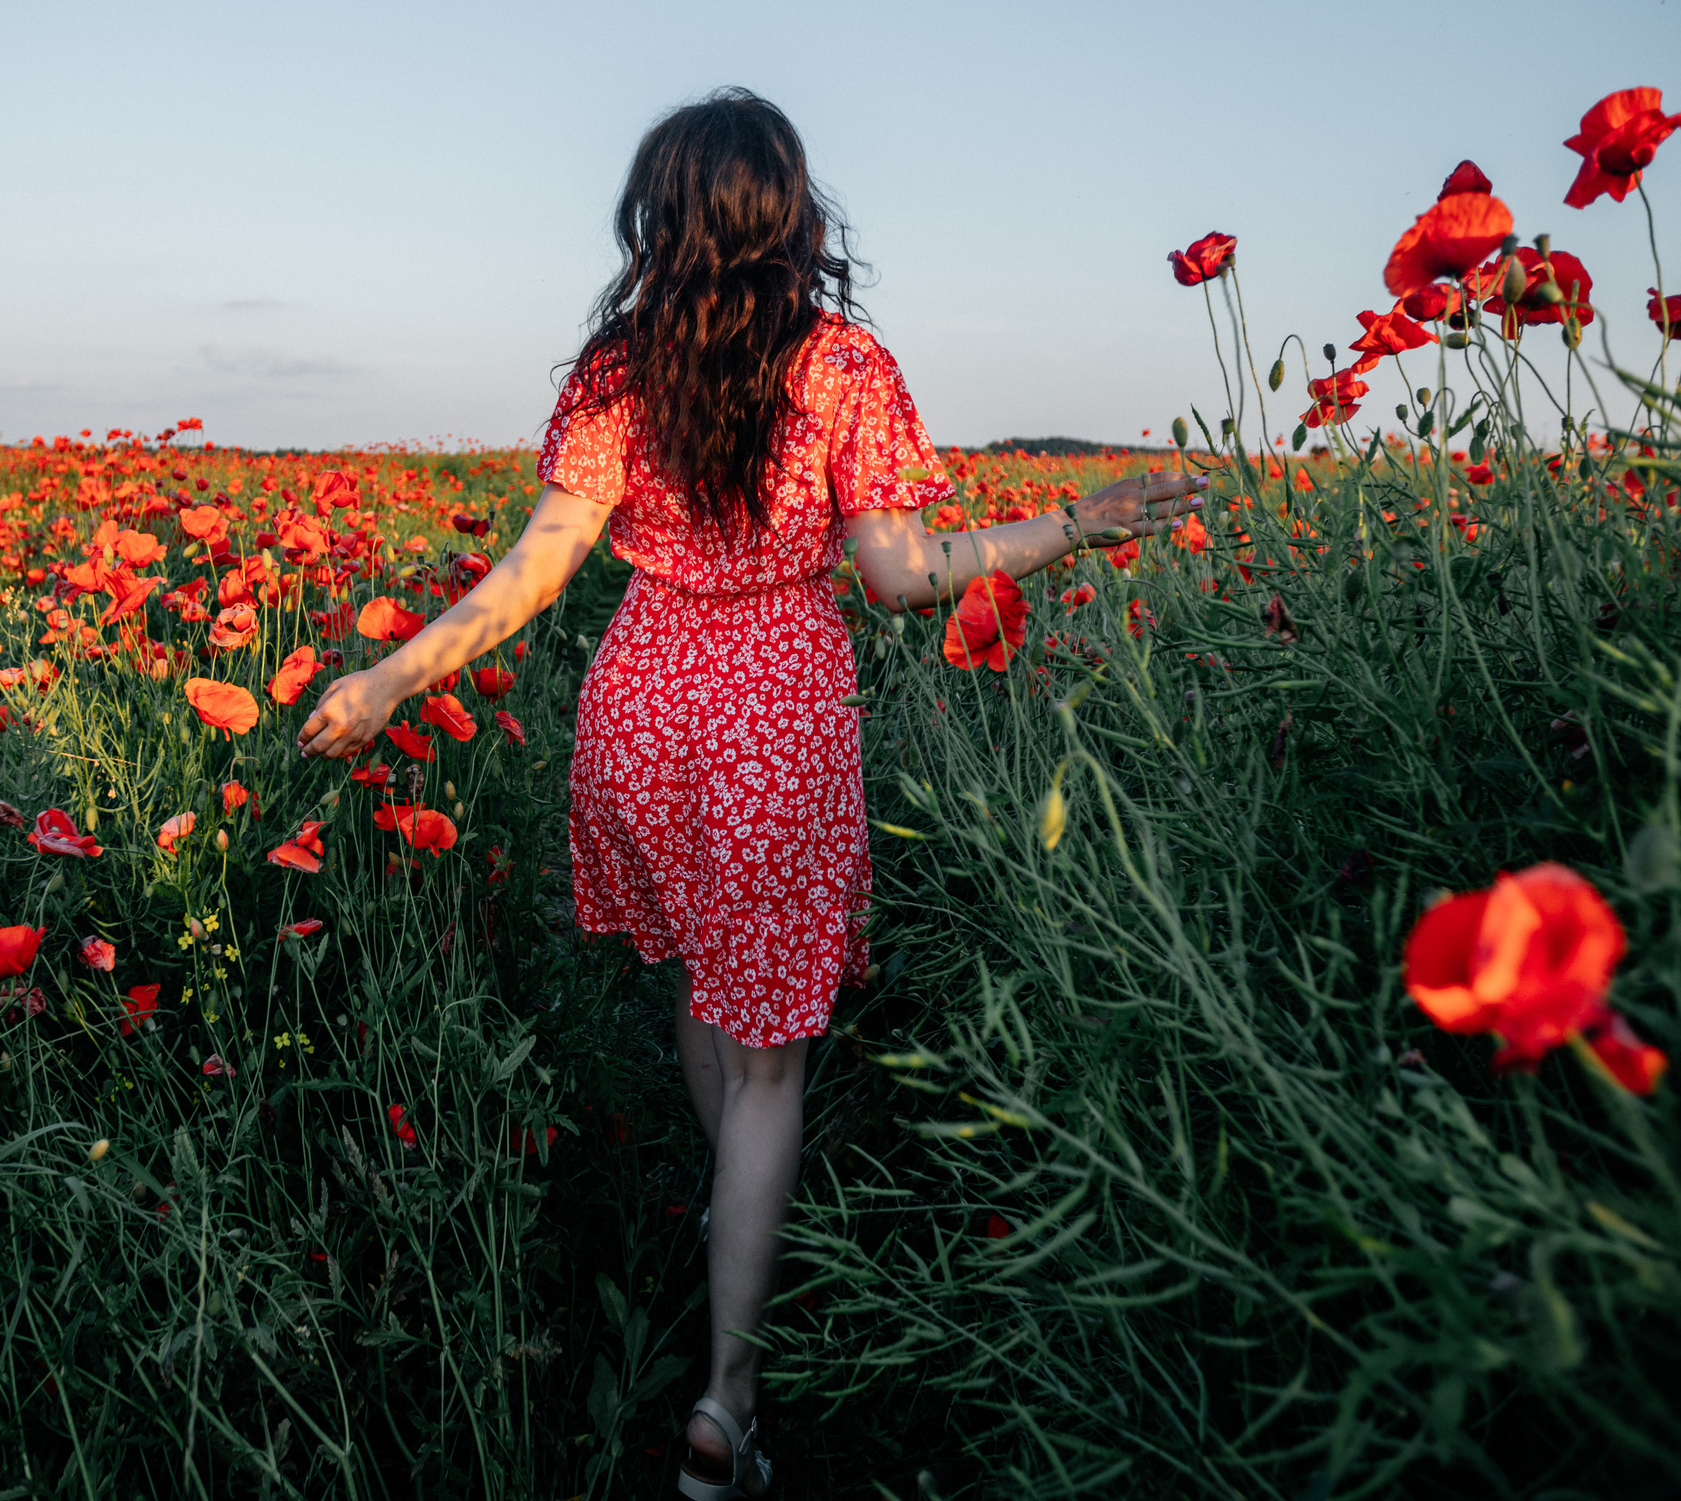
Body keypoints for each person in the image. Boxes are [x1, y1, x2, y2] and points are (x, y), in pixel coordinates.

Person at [297, 88, 1202, 1498]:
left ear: (657, 216)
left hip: (641, 708)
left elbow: (529, 577)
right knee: (772, 1049)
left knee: (709, 994)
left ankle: (737, 1215)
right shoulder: (846, 367)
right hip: (775, 713)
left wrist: (391, 682)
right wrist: (1075, 521)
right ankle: (729, 1401)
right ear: (791, 211)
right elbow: (904, 577)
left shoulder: (615, 374)